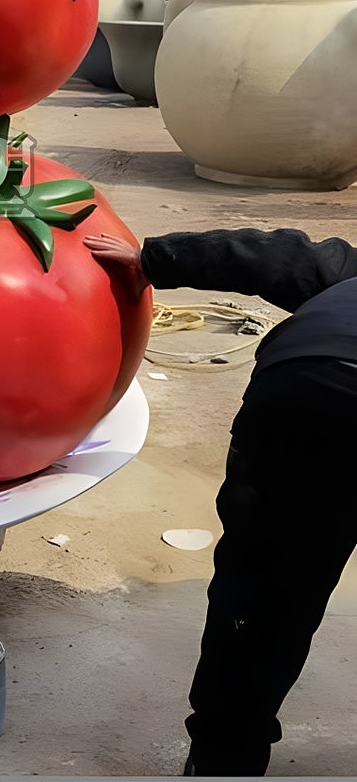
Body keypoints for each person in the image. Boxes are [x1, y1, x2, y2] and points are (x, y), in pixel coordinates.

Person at [85, 227, 357, 777]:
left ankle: (223, 759)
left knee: (264, 598)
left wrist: (151, 258)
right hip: (317, 385)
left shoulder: (348, 275)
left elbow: (275, 256)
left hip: (306, 391)